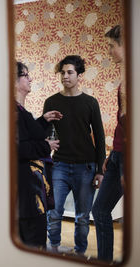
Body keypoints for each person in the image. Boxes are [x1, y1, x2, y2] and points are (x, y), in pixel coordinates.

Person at [43, 55, 106, 255]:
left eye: (70, 72)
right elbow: (45, 133)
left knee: (82, 217)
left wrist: (99, 169)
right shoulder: (51, 101)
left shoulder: (90, 102)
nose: (65, 76)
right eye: (62, 72)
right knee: (54, 212)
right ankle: (53, 248)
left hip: (86, 167)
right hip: (59, 165)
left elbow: (100, 137)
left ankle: (79, 253)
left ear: (79, 75)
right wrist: (46, 142)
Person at [15, 61, 62, 248]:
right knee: (33, 242)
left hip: (31, 188)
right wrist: (46, 145)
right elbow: (17, 148)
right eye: (26, 75)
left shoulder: (20, 111)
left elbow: (25, 135)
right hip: (26, 193)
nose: (30, 78)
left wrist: (43, 120)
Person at [92, 25, 125, 262]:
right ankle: (104, 260)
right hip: (118, 156)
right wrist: (112, 153)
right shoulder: (126, 78)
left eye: (112, 46)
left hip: (129, 158)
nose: (109, 51)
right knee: (100, 209)